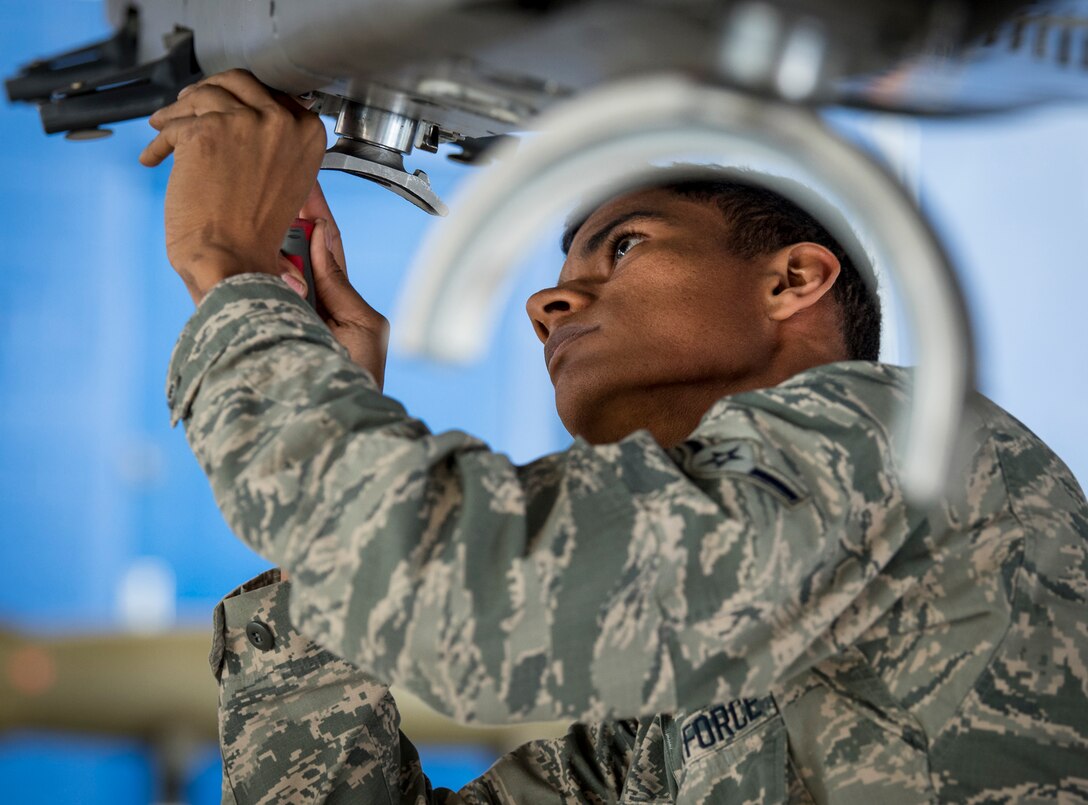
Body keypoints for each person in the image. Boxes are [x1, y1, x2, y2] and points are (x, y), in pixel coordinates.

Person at [144, 70, 1088, 802]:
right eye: (561, 269)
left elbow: (461, 602)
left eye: (625, 245)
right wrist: (314, 399)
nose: (548, 302)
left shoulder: (896, 448)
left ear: (793, 278)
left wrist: (233, 278)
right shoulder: (666, 717)